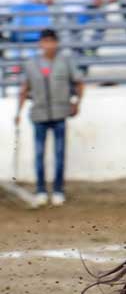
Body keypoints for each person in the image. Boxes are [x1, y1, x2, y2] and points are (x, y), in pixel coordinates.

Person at [14, 28, 84, 206]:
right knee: (39, 154)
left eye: (52, 41)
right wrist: (18, 112)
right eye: (45, 41)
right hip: (39, 114)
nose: (48, 45)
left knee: (60, 154)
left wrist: (76, 103)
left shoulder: (66, 62)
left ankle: (59, 190)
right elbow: (24, 90)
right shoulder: (31, 64)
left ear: (56, 43)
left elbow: (79, 83)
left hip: (60, 114)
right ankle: (41, 190)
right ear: (40, 43)